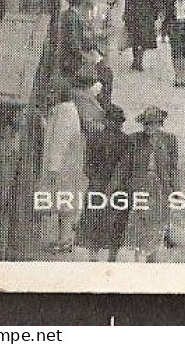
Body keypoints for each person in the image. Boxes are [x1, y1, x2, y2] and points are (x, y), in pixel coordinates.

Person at [115, 106, 178, 263]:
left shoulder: (169, 140)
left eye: (153, 124)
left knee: (156, 225)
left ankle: (152, 260)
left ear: (160, 124)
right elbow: (124, 166)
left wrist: (176, 192)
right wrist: (114, 188)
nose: (149, 127)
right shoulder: (134, 140)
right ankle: (139, 260)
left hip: (160, 187)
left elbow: (173, 169)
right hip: (140, 186)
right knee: (139, 224)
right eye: (147, 124)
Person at [76, 104, 128, 261]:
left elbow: (87, 166)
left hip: (101, 185)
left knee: (98, 219)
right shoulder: (124, 140)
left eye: (116, 121)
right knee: (111, 221)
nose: (114, 124)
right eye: (114, 121)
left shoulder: (97, 137)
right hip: (112, 186)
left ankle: (96, 254)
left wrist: (96, 179)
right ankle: (107, 255)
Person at [40, 86, 88, 254]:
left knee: (62, 204)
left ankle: (64, 240)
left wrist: (54, 167)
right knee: (62, 204)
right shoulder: (64, 111)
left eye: (52, 93)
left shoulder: (65, 112)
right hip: (67, 165)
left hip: (64, 166)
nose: (49, 96)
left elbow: (60, 141)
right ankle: (62, 239)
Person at [122, 0, 161, 72]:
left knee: (135, 38)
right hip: (146, 15)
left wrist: (126, 14)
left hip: (134, 14)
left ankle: (136, 60)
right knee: (143, 39)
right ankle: (139, 59)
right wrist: (155, 13)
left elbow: (128, 0)